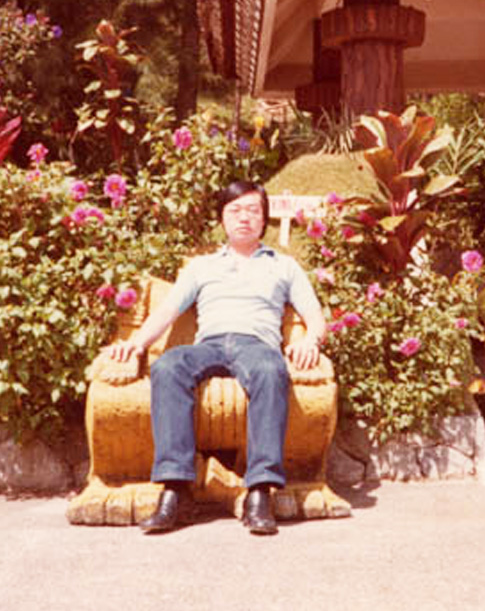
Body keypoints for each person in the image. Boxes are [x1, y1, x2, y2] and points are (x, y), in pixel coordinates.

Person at [108, 180, 326, 535]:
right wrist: (136, 343)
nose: (244, 218)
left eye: (253, 210)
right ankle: (176, 490)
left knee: (271, 370)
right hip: (208, 344)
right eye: (235, 210)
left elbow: (315, 316)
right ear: (222, 219)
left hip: (256, 345)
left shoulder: (284, 267)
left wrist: (311, 341)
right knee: (168, 366)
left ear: (264, 219)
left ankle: (260, 491)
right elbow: (167, 310)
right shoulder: (201, 266)